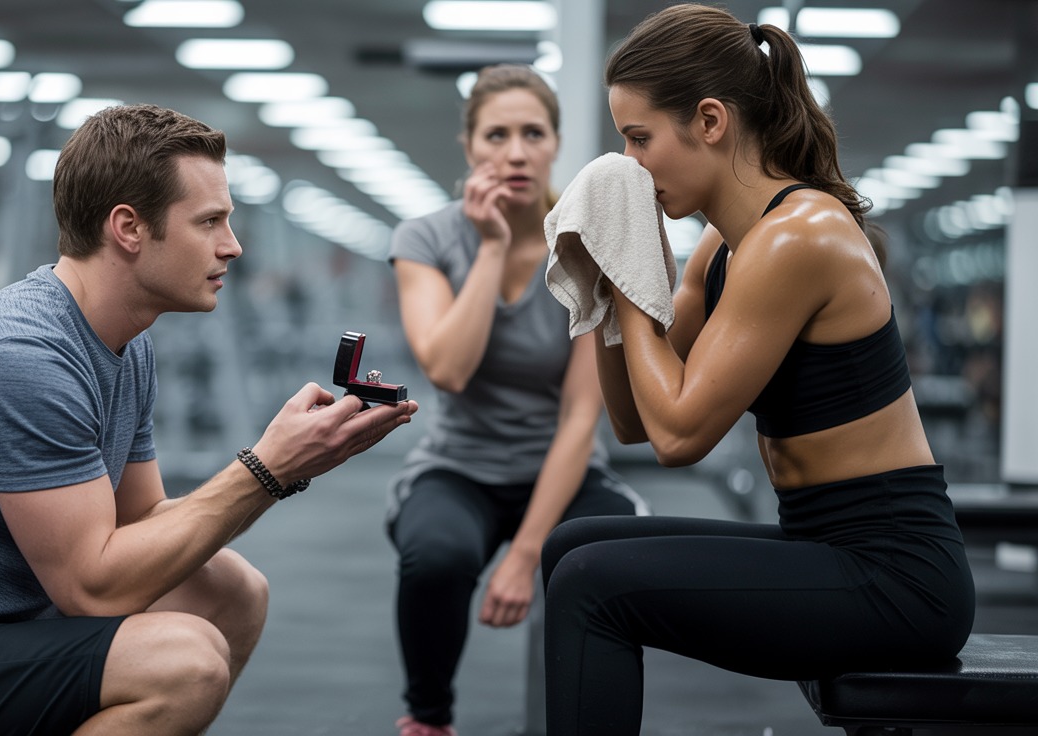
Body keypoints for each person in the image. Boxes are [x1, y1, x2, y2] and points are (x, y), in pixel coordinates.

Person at [0, 103, 418, 736]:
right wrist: (268, 469)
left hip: (0, 630)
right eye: (209, 222)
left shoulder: (126, 342)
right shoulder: (24, 353)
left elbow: (140, 521)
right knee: (183, 665)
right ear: (128, 227)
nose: (232, 246)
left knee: (231, 591)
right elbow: (93, 590)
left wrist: (289, 463)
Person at [540, 6, 975, 735]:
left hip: (899, 576)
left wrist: (625, 275)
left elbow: (681, 439)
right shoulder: (724, 243)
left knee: (590, 584)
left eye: (639, 139)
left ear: (710, 121)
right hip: (824, 544)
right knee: (572, 544)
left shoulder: (798, 236)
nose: (628, 166)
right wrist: (605, 290)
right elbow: (633, 420)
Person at [386, 64, 646, 736]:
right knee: (436, 557)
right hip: (459, 466)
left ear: (556, 143)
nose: (516, 151)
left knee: (607, 560)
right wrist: (492, 249)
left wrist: (528, 553)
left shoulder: (588, 247)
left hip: (562, 465)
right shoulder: (426, 239)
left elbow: (580, 416)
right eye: (496, 135)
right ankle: (428, 718)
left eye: (533, 133)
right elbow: (447, 368)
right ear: (470, 146)